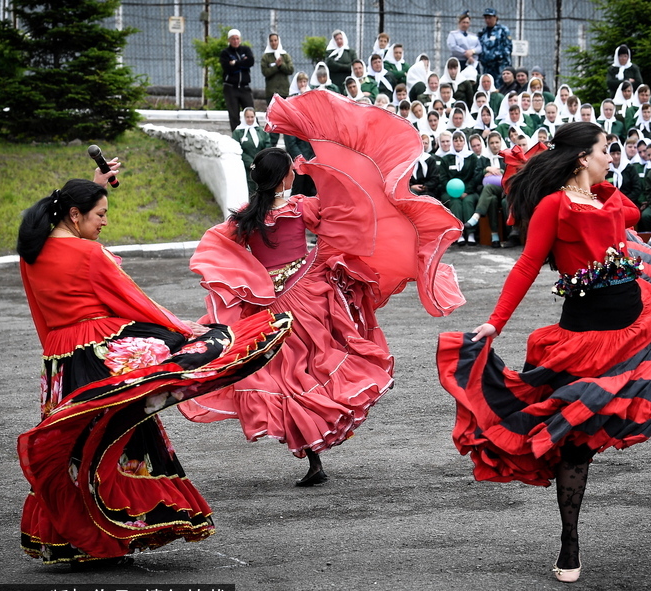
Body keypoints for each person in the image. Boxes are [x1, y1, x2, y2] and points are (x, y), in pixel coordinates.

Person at [437, 121, 651, 584]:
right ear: (582, 158)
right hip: (583, 337)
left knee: (623, 408)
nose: (609, 158)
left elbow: (632, 213)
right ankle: (569, 541)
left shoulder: (610, 200)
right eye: (603, 152)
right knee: (576, 442)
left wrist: (601, 186)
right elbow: (528, 265)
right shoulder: (554, 207)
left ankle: (572, 529)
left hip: (635, 326)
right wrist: (496, 322)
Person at [183, 91, 465, 485]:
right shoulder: (299, 206)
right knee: (319, 362)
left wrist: (246, 284)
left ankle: (312, 454)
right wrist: (384, 198)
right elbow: (344, 213)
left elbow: (218, 246)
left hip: (270, 303)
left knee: (288, 374)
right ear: (285, 176)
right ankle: (317, 446)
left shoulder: (245, 217)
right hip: (308, 293)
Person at [16, 166, 291, 566]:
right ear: (75, 216)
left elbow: (43, 318)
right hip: (102, 358)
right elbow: (136, 303)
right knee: (118, 439)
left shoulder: (33, 254)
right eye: (100, 215)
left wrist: (55, 357)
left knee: (71, 446)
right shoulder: (89, 253)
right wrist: (189, 332)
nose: (105, 222)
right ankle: (113, 534)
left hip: (60, 364)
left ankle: (76, 541)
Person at [260, 33, 294, 147]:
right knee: (273, 119)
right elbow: (265, 72)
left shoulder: (285, 55)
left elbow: (290, 70)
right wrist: (276, 66)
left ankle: (288, 144)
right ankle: (272, 145)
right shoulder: (266, 57)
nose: (274, 43)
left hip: (284, 91)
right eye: (272, 41)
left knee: (285, 119)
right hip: (271, 92)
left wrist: (281, 65)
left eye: (275, 40)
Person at [220, 29, 255, 131]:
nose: (235, 41)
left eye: (237, 39)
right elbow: (228, 68)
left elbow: (250, 62)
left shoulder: (245, 50)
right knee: (234, 115)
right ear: (229, 40)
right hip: (231, 88)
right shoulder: (225, 53)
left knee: (250, 111)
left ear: (240, 39)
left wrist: (235, 63)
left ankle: (253, 134)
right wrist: (242, 63)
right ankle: (237, 137)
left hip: (244, 87)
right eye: (233, 39)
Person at [233, 107, 271, 193]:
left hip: (261, 166)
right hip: (246, 168)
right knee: (250, 190)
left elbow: (267, 144)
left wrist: (261, 160)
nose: (250, 119)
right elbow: (237, 148)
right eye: (247, 117)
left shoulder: (261, 131)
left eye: (252, 117)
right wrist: (250, 162)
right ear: (244, 117)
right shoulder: (238, 132)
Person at [478, 7, 512, 81]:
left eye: (489, 18)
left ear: (495, 17)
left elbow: (508, 48)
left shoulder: (503, 30)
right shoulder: (482, 32)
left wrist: (495, 56)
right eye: (486, 18)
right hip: (487, 68)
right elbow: (479, 48)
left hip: (500, 67)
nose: (487, 20)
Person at [325, 30, 358, 94]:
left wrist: (338, 66)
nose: (339, 41)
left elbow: (353, 65)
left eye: (340, 38)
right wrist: (346, 66)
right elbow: (330, 65)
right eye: (337, 39)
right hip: (334, 80)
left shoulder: (350, 52)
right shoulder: (330, 52)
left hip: (347, 81)